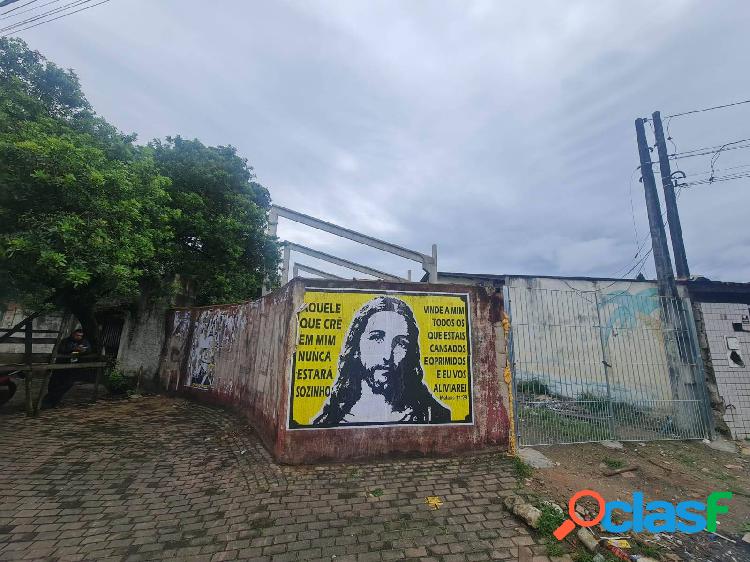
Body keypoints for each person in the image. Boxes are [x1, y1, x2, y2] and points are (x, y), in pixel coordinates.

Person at [313, 296, 450, 426]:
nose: (387, 355)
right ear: (356, 347)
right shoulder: (328, 420)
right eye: (376, 337)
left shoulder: (436, 415)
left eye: (400, 342)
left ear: (410, 353)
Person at [42, 328, 91, 408]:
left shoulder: (84, 342)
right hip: (61, 365)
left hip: (72, 368)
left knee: (66, 384)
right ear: (73, 334)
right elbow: (61, 349)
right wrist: (74, 348)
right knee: (54, 384)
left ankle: (49, 401)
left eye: (80, 336)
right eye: (77, 335)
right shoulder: (66, 341)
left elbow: (88, 349)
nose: (78, 337)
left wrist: (83, 350)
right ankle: (51, 402)